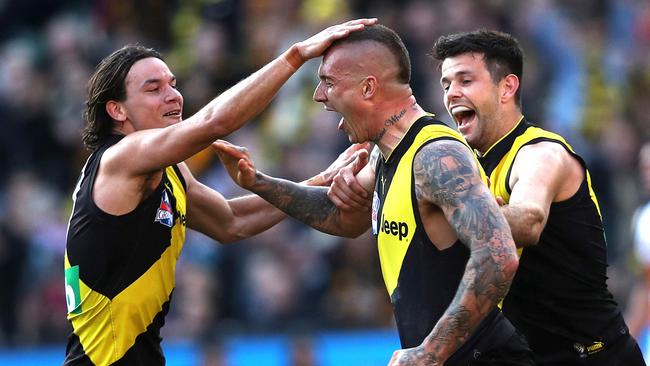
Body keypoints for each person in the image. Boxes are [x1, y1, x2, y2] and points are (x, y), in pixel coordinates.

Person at [214, 24, 535, 366]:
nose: (319, 96)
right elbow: (340, 217)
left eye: (329, 82)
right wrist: (257, 181)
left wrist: (431, 352)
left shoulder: (435, 155)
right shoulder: (385, 155)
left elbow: (499, 256)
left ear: (368, 88)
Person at [62, 18, 377, 365]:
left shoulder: (167, 169)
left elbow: (230, 221)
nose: (174, 95)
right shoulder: (121, 157)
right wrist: (296, 55)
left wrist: (319, 181)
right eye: (154, 89)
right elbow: (215, 122)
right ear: (117, 110)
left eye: (173, 84)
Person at [426, 29, 645, 365]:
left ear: (507, 87)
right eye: (446, 85)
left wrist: (461, 211)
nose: (452, 94)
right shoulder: (468, 165)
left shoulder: (541, 154)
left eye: (465, 81)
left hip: (594, 356)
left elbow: (529, 220)